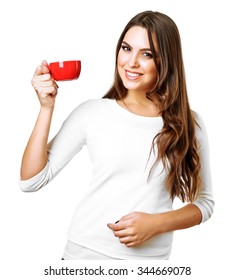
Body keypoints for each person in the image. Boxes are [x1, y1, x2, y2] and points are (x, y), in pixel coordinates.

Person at [20, 10, 214, 260]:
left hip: (149, 265)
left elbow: (205, 203)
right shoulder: (92, 113)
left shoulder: (191, 123)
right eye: (126, 48)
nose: (131, 62)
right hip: (83, 258)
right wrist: (46, 108)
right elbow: (30, 181)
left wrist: (157, 224)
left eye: (147, 54)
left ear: (167, 61)